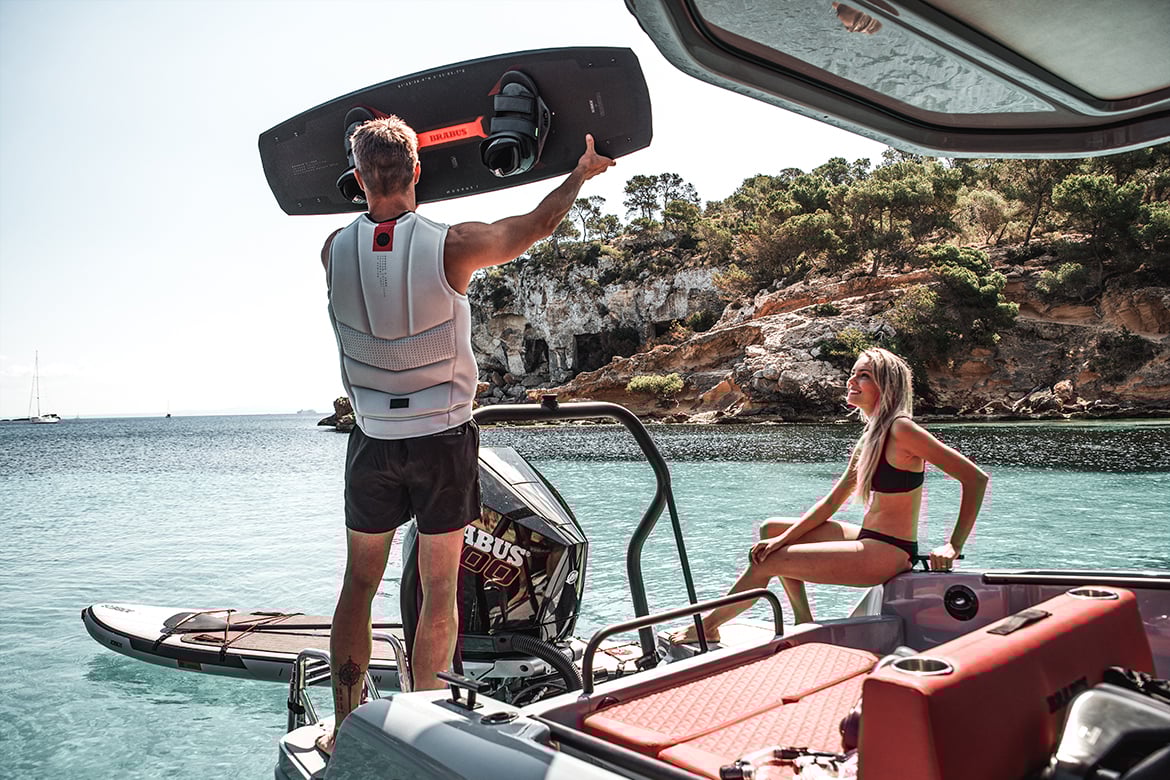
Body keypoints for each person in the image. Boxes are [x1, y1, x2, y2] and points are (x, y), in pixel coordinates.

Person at [317, 115, 614, 755]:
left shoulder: (331, 249)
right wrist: (580, 174)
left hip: (372, 438)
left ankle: (344, 725)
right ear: (419, 171)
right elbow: (537, 226)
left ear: (357, 179)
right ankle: (423, 736)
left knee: (358, 585)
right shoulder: (453, 245)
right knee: (440, 589)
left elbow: (375, 257)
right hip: (442, 438)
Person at [673, 347, 988, 640]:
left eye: (864, 375)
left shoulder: (902, 429)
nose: (852, 380)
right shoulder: (871, 437)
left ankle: (708, 628)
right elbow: (832, 502)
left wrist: (953, 544)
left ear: (887, 385)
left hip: (889, 552)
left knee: (768, 561)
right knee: (771, 531)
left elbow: (974, 479)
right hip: (867, 537)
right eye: (853, 373)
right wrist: (783, 539)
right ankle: (804, 620)